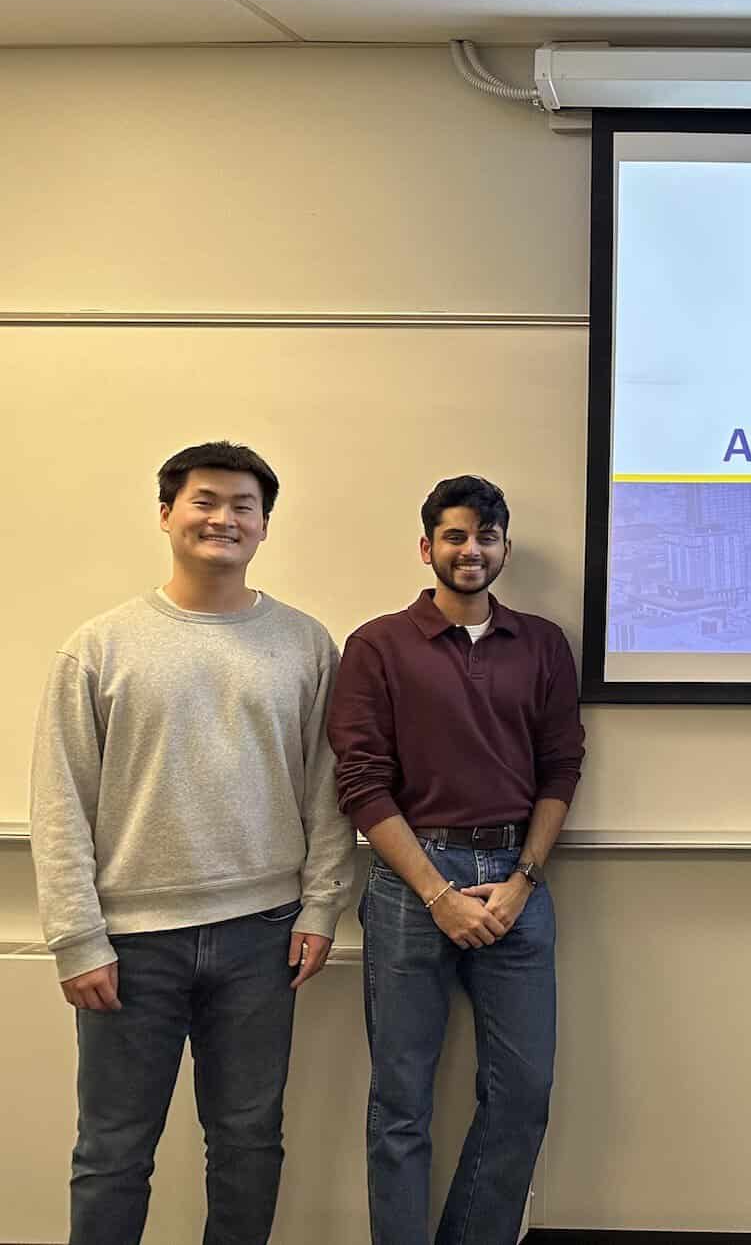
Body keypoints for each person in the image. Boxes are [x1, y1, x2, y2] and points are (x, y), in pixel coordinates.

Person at [29, 440, 351, 1245]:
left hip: (264, 936)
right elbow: (60, 799)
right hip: (129, 945)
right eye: (205, 501)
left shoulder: (308, 645)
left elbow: (327, 786)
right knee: (111, 1153)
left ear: (265, 525)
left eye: (244, 506)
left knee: (247, 1145)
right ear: (167, 513)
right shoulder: (97, 647)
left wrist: (321, 907)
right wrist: (75, 937)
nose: (224, 519)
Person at [328, 474, 586, 1245]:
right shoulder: (377, 644)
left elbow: (561, 766)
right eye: (455, 536)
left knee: (523, 1092)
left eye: (486, 536)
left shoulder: (541, 643)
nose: (471, 550)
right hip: (413, 888)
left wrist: (523, 880)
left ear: (504, 547)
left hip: (516, 879)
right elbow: (362, 784)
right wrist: (440, 893)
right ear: (428, 547)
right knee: (401, 1101)